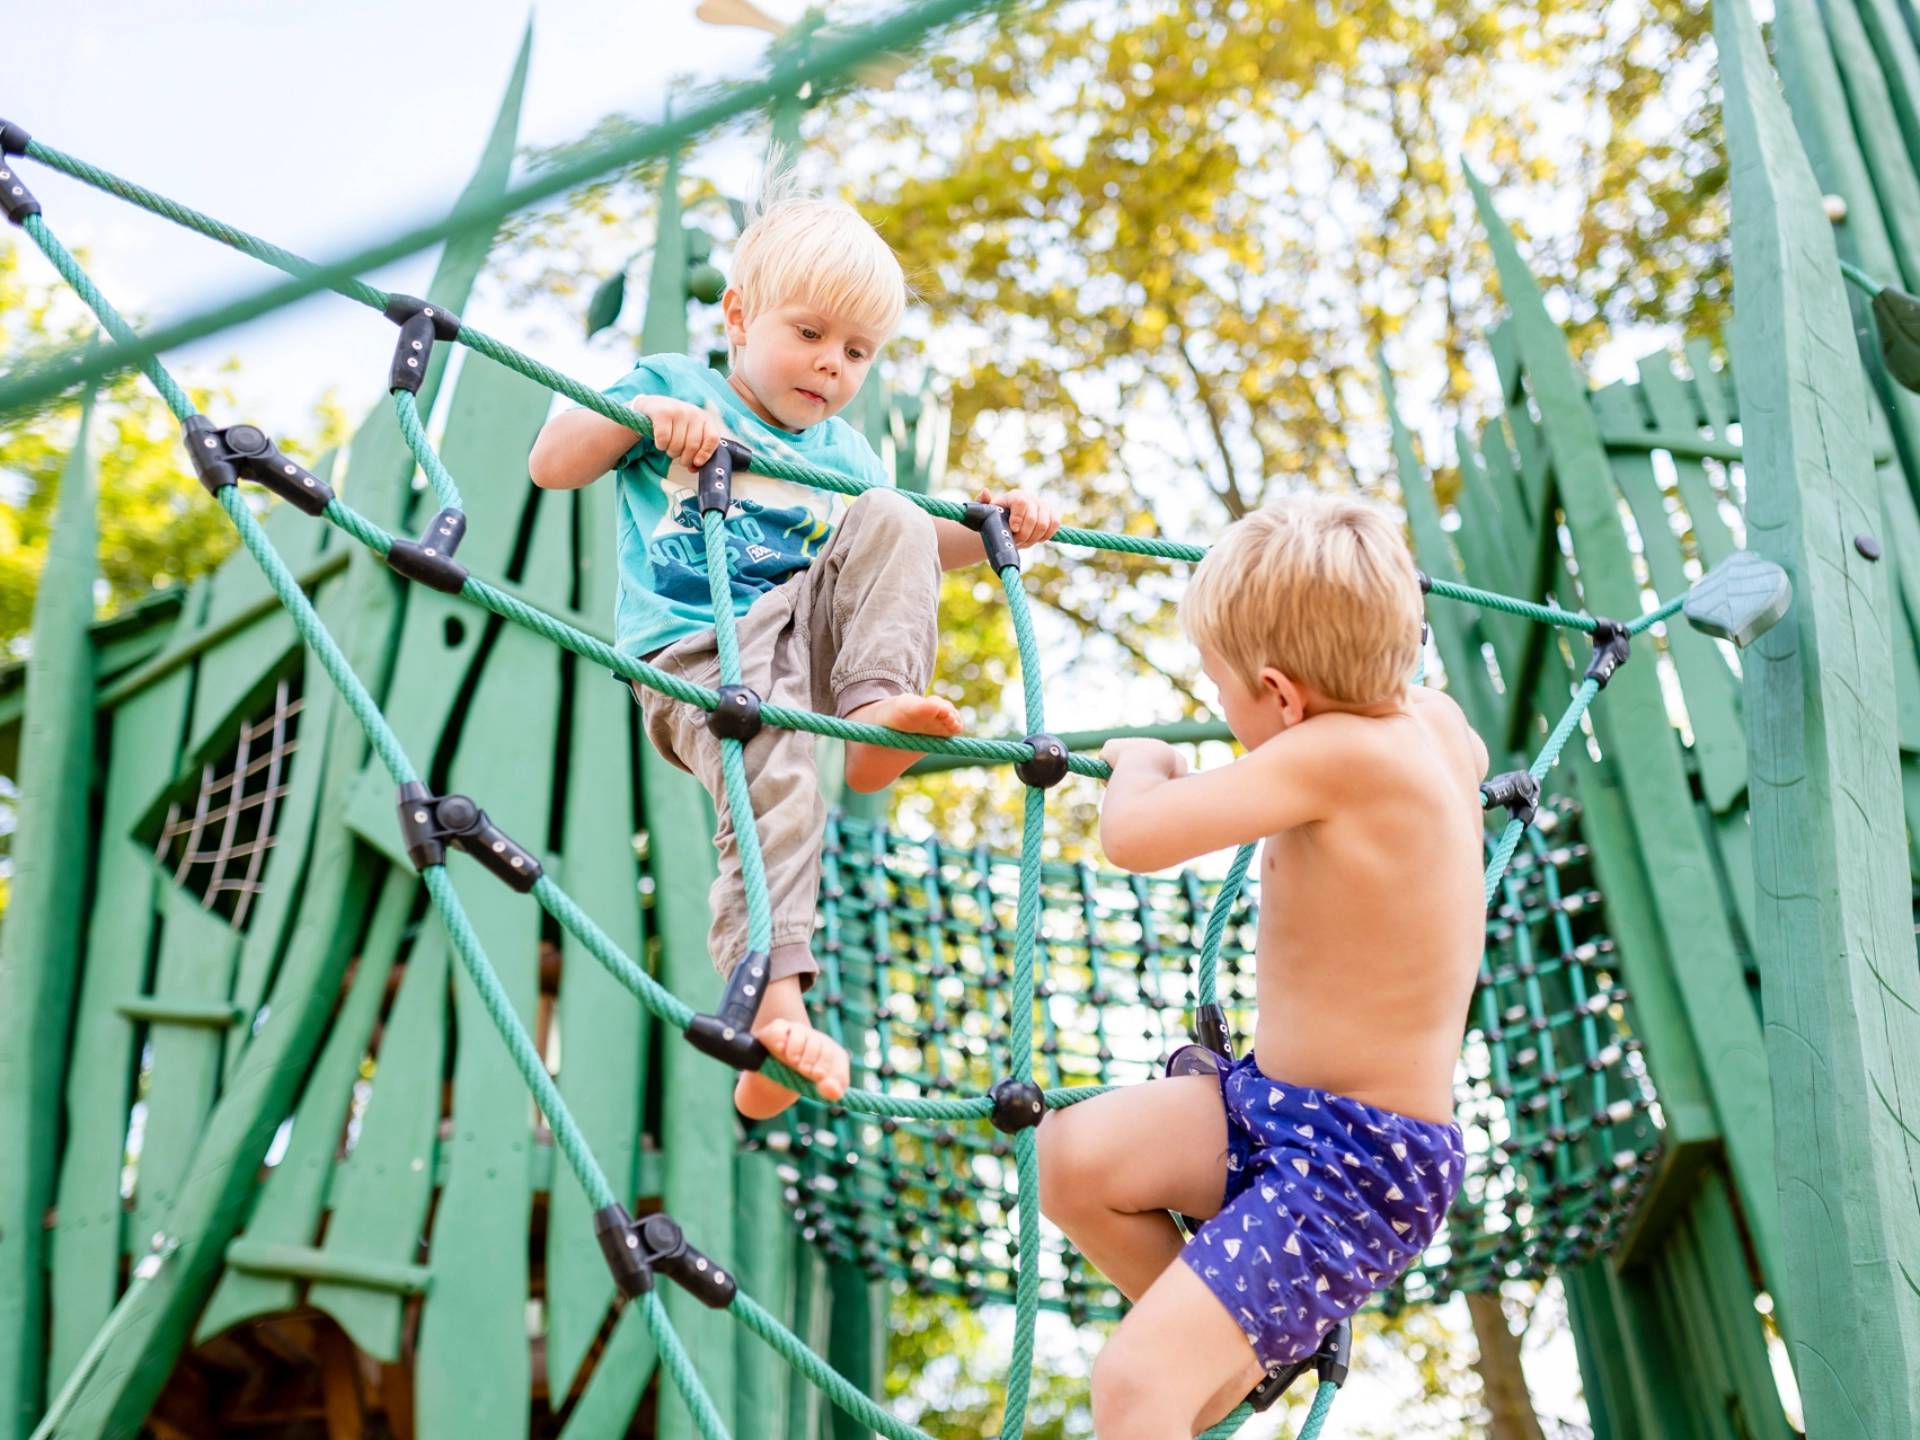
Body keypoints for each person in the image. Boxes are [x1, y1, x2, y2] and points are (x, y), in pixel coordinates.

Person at [528, 184, 1061, 1121]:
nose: (831, 366)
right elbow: (554, 460)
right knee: (777, 785)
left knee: (893, 508)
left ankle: (874, 716)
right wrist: (645, 418)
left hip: (803, 649)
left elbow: (910, 554)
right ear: (738, 317)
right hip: (702, 653)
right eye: (810, 334)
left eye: (857, 351)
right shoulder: (677, 386)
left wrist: (996, 532)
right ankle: (772, 1016)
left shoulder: (844, 449)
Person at [1038, 495, 1487, 1439]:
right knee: (1068, 1159)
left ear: (1282, 695)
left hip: (1360, 1165)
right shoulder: (1434, 723)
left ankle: (1211, 1356)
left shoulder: (1336, 754)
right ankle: (1248, 1349)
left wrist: (1146, 761)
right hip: (1269, 1104)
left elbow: (1137, 836)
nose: (1219, 711)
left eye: (1220, 690)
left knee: (1132, 1389)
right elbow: (1470, 760)